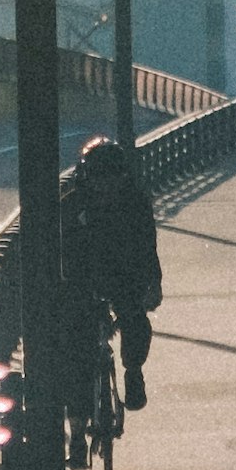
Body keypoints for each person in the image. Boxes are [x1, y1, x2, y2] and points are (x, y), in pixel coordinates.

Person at [67, 133, 162, 417]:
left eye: (112, 176)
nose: (105, 183)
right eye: (99, 176)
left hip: (123, 274)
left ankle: (133, 372)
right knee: (72, 333)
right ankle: (78, 411)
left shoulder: (135, 202)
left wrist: (153, 283)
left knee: (135, 321)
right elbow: (60, 245)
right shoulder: (73, 204)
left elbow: (147, 246)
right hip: (83, 275)